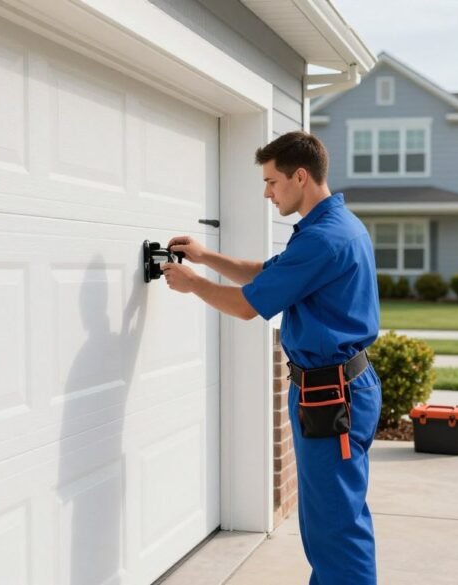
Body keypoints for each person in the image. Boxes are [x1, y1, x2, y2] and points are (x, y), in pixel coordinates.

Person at [162, 131, 381, 585]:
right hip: (333, 389)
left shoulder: (324, 238)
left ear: (300, 176)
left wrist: (192, 284)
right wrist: (206, 258)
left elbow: (247, 306)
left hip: (331, 397)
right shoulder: (331, 227)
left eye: (271, 181)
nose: (266, 192)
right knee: (332, 518)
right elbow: (270, 274)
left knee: (334, 526)